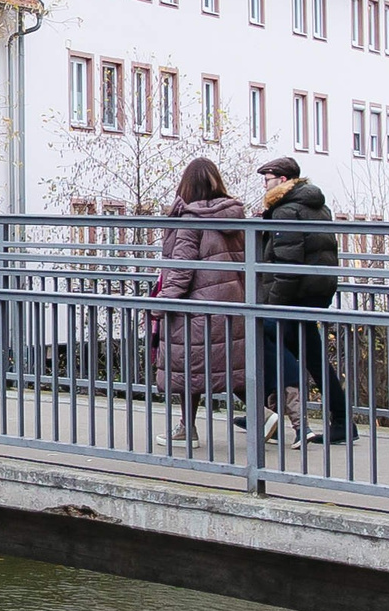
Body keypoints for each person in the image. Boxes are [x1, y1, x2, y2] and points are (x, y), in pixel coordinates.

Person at [150, 157, 256, 446]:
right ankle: (264, 415)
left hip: (195, 307)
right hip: (232, 304)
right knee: (231, 365)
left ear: (186, 185)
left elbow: (181, 269)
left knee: (187, 367)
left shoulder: (190, 220)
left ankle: (187, 429)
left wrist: (161, 305)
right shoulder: (234, 217)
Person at [254, 156, 351, 444]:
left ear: (283, 181)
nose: (264, 183)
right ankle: (342, 420)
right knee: (312, 356)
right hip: (316, 293)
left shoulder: (286, 211)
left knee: (263, 340)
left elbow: (287, 264)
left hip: (293, 297)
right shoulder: (318, 206)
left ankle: (265, 415)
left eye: (268, 178)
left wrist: (271, 304)